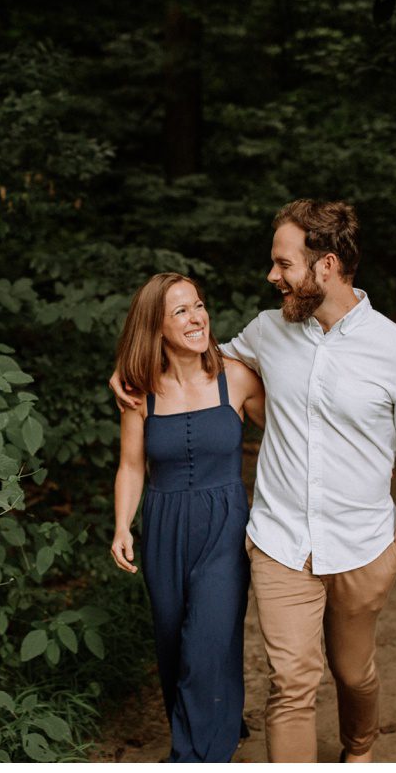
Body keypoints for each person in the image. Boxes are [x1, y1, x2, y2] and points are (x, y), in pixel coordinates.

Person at [111, 200, 396, 763]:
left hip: (362, 544)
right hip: (280, 541)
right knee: (291, 684)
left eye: (284, 264)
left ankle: (359, 746)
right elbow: (195, 363)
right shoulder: (268, 331)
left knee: (353, 673)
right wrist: (129, 369)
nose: (272, 275)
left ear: (326, 265)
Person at [109, 272, 265, 763]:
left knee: (207, 642)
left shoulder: (237, 378)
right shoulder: (139, 392)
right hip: (164, 526)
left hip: (225, 527)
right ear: (155, 326)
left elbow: (291, 433)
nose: (197, 318)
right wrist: (122, 526)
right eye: (181, 311)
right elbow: (131, 465)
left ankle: (195, 757)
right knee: (175, 646)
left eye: (198, 305)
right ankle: (220, 723)